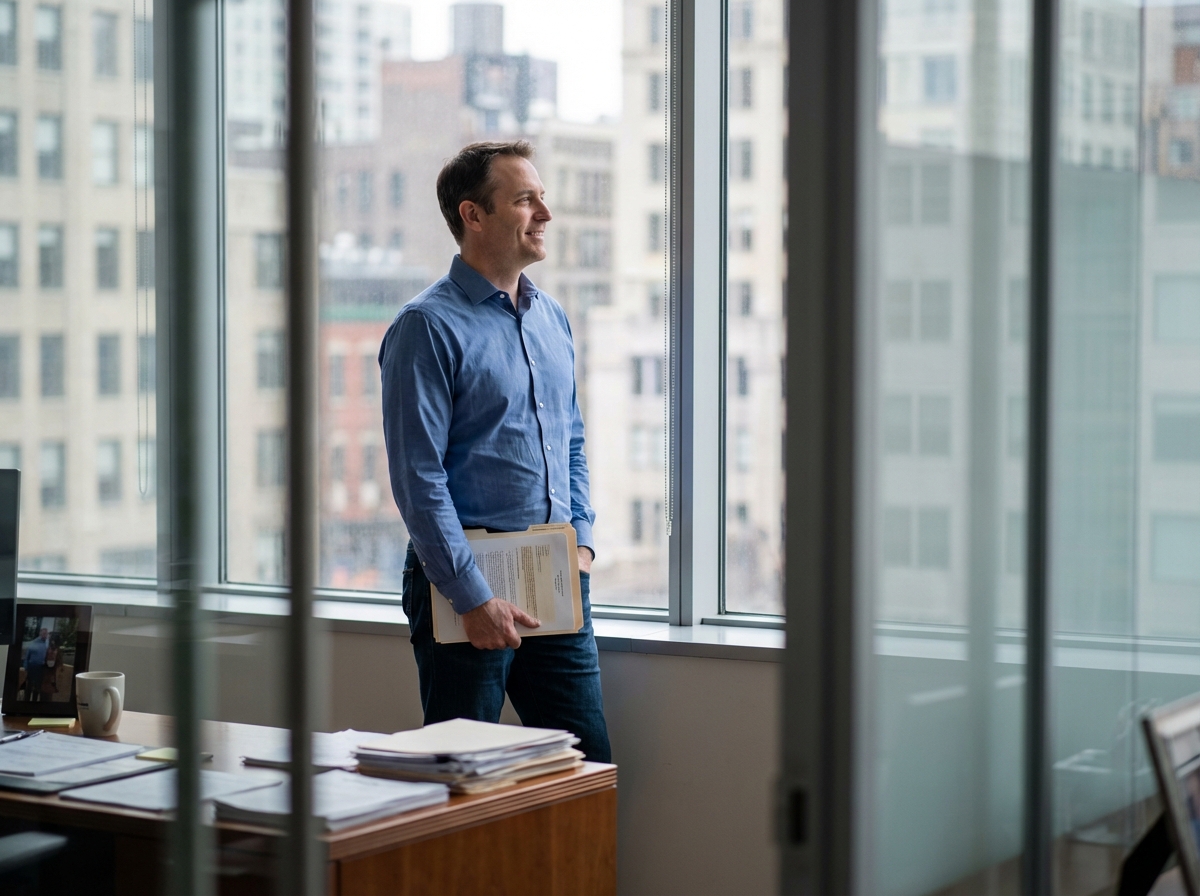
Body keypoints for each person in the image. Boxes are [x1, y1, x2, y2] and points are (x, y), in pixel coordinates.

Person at [379, 140, 610, 763]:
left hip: (557, 579)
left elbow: (573, 442)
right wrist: (472, 597)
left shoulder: (551, 317)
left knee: (585, 769)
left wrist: (581, 540)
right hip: (467, 588)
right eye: (525, 199)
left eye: (542, 196)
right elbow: (418, 479)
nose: (546, 213)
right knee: (461, 779)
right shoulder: (424, 327)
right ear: (473, 216)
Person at [22, 626, 50, 703]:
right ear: (40, 633)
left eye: (46, 634)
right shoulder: (34, 643)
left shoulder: (47, 643)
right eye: (43, 633)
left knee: (38, 686)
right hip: (32, 666)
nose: (45, 635)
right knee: (29, 685)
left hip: (41, 667)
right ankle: (26, 702)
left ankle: (34, 703)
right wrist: (26, 667)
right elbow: (27, 656)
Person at [40, 632, 62, 700]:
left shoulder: (53, 650)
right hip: (48, 676)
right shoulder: (55, 650)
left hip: (49, 676)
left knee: (46, 694)